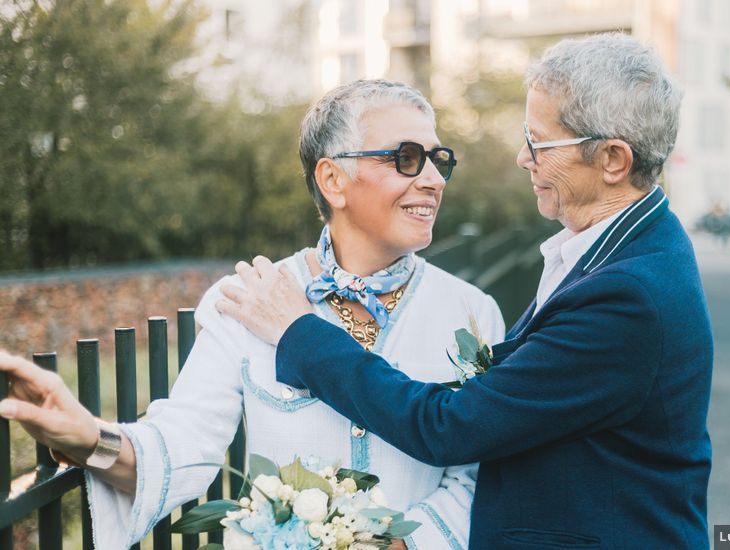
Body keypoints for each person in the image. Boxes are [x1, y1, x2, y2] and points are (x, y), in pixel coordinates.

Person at [222, 33, 714, 549]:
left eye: (539, 143)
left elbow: (450, 429)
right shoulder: (626, 248)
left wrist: (301, 332)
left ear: (613, 159)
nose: (524, 158)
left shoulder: (628, 296)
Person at [0, 79, 504, 549]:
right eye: (407, 158)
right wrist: (90, 440)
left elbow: (476, 477)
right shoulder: (242, 302)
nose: (435, 180)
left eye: (439, 160)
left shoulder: (472, 312)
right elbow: (180, 450)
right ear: (333, 179)